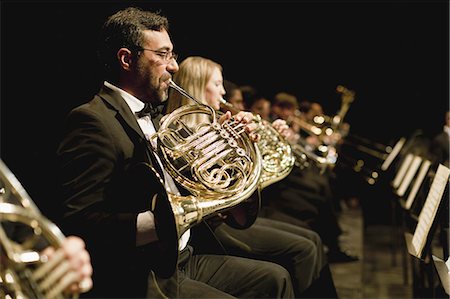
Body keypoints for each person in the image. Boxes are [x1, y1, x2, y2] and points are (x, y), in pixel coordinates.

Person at [56, 7, 293, 298]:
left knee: (276, 279)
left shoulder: (158, 118)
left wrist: (233, 150)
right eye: (163, 55)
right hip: (140, 273)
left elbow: (195, 181)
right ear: (127, 59)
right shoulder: (92, 120)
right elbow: (81, 221)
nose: (174, 66)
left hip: (184, 256)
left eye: (173, 55)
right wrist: (165, 223)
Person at [167, 56, 338, 298]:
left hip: (235, 215)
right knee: (304, 249)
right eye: (217, 84)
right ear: (196, 85)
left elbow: (252, 177)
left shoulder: (216, 122)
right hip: (214, 226)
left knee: (312, 240)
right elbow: (217, 188)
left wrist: (262, 144)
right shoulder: (179, 131)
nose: (224, 90)